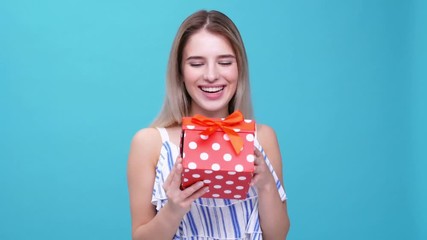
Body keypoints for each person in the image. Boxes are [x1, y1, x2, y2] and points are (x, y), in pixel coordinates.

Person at [127, 10, 290, 240]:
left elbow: (278, 235)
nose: (211, 75)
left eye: (224, 62)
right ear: (180, 72)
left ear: (239, 68)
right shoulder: (149, 143)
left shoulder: (262, 137)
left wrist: (265, 185)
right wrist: (174, 209)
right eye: (196, 64)